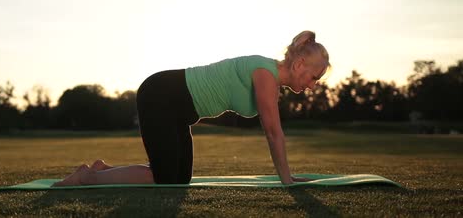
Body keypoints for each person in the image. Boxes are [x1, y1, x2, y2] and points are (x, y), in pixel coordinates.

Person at [52, 30, 330, 187]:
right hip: (161, 95)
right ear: (298, 65)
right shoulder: (265, 74)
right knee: (163, 180)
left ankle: (104, 170)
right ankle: (87, 177)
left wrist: (288, 176)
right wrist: (287, 180)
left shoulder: (269, 78)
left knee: (178, 182)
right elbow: (273, 133)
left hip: (177, 112)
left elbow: (273, 131)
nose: (313, 85)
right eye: (314, 78)